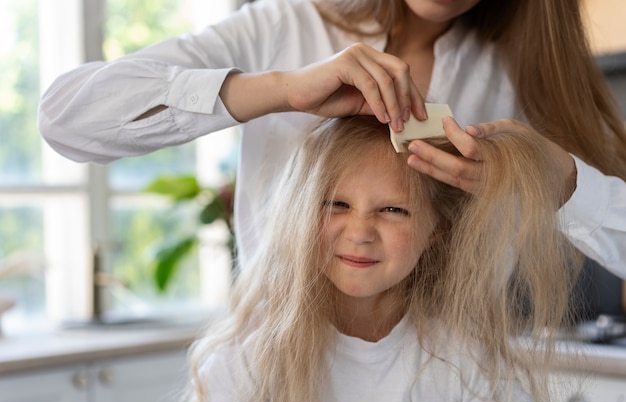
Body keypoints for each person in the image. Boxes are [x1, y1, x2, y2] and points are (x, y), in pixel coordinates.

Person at [37, 0, 626, 277]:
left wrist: (565, 184)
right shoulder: (280, 28)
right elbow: (66, 118)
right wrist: (280, 91)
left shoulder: (522, 78)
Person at [186, 115, 581, 402]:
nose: (360, 233)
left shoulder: (466, 359)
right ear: (299, 213)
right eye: (336, 204)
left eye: (393, 210)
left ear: (435, 229)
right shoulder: (256, 352)